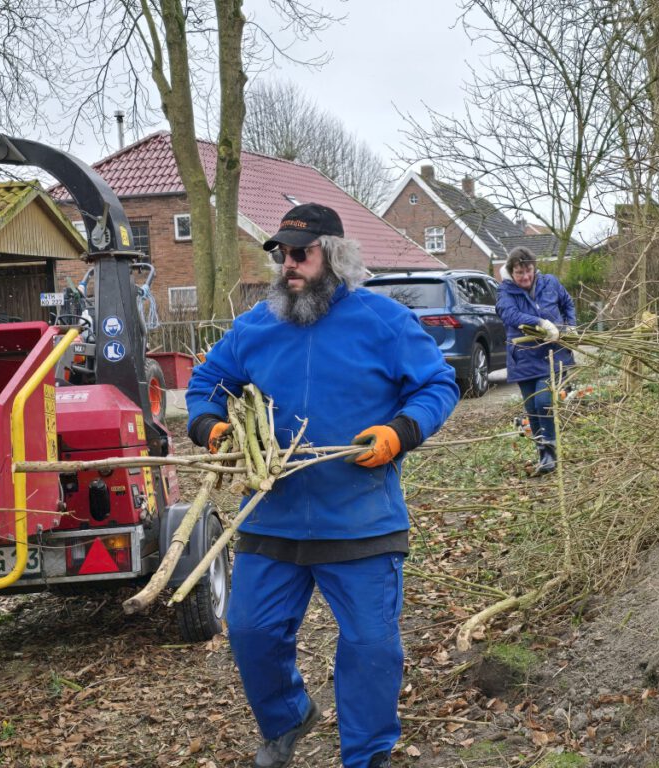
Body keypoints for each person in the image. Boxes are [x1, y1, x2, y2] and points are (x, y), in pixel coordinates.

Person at [185, 202, 459, 768]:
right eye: (283, 252)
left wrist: (399, 432)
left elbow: (437, 383)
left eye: (301, 252)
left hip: (360, 517)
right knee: (250, 630)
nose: (290, 262)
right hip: (271, 512)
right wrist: (211, 426)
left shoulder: (382, 321)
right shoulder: (256, 325)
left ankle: (367, 755)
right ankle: (286, 717)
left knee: (370, 647)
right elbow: (208, 382)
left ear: (332, 255)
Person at [495, 246, 576, 475]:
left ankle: (550, 448)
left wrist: (570, 326)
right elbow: (509, 314)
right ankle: (544, 454)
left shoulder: (550, 283)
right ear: (512, 272)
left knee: (543, 401)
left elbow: (567, 303)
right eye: (520, 272)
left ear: (534, 268)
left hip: (554, 354)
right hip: (523, 358)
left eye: (528, 270)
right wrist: (540, 323)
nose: (526, 277)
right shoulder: (505, 292)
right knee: (532, 408)